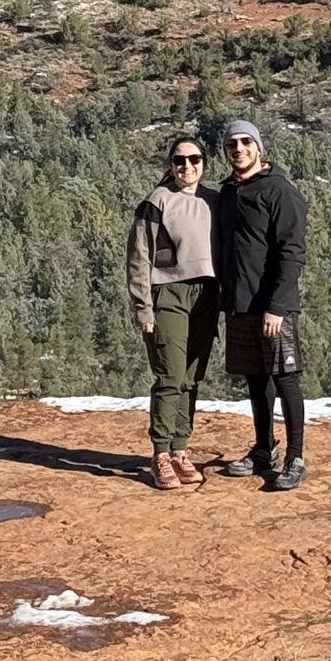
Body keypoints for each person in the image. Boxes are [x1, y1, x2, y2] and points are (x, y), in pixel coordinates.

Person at [213, 118, 309, 490]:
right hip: (240, 303)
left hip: (273, 306)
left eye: (245, 142)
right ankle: (263, 449)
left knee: (286, 379)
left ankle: (296, 457)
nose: (238, 149)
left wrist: (278, 306)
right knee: (256, 380)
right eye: (231, 144)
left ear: (259, 148)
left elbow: (291, 253)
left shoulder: (279, 191)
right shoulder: (228, 192)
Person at [125, 135, 219, 490]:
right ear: (170, 165)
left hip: (207, 294)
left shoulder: (215, 200)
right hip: (169, 295)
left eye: (194, 159)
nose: (187, 167)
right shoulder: (156, 202)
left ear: (204, 163)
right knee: (170, 375)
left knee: (192, 377)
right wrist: (142, 307)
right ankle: (160, 454)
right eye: (179, 161)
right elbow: (138, 258)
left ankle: (181, 449)